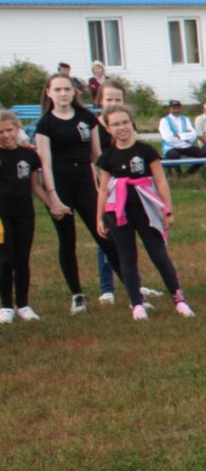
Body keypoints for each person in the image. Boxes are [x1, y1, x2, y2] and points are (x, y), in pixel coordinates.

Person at [33, 71, 126, 314]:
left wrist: (106, 187)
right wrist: (52, 196)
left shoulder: (86, 117)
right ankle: (77, 294)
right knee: (67, 241)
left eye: (67, 89)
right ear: (49, 93)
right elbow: (46, 163)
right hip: (60, 187)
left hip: (86, 185)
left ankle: (132, 289)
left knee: (105, 236)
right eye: (58, 90)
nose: (63, 94)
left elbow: (97, 156)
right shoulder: (45, 124)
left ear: (74, 92)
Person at [94, 101, 193, 321]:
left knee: (159, 254)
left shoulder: (146, 151)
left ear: (132, 123)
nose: (122, 127)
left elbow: (160, 180)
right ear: (108, 128)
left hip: (146, 209)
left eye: (125, 122)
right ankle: (136, 304)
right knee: (127, 257)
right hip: (118, 213)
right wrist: (99, 217)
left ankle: (179, 299)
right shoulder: (107, 158)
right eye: (115, 124)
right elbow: (102, 189)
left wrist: (167, 210)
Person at [0, 108, 55, 322]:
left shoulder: (29, 156)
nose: (6, 135)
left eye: (9, 130)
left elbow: (35, 185)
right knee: (5, 260)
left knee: (22, 259)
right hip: (1, 218)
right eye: (1, 131)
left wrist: (52, 204)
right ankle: (5, 306)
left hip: (24, 214)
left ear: (18, 130)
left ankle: (23, 304)